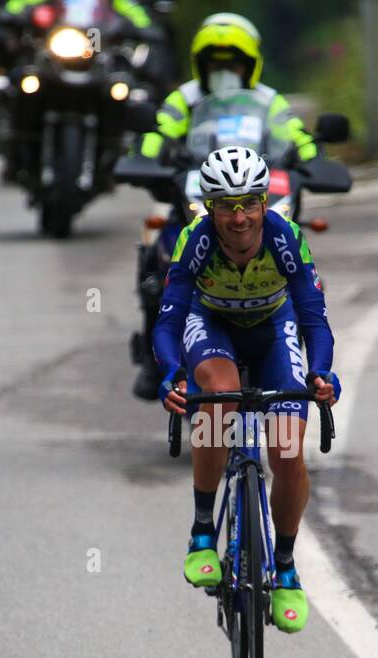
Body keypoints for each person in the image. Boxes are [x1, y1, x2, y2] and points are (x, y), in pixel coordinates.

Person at [154, 146, 340, 634]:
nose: (238, 218)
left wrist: (321, 374)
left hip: (272, 328)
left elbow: (314, 320)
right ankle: (201, 532)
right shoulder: (196, 240)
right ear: (209, 208)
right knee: (222, 398)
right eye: (225, 205)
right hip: (211, 322)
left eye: (248, 204)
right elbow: (169, 318)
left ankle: (283, 565)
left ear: (263, 202)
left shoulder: (285, 237)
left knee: (286, 449)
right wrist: (172, 371)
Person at [132, 11, 319, 400]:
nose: (224, 72)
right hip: (197, 195)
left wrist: (314, 159)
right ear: (200, 66)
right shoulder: (183, 98)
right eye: (214, 65)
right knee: (161, 250)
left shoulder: (269, 101)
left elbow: (296, 135)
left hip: (257, 184)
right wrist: (146, 158)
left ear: (251, 65)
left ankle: (289, 364)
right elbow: (159, 132)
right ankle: (158, 358)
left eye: (232, 63)